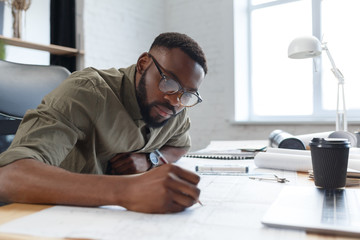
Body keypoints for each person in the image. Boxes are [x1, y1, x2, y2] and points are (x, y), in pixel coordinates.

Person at [0, 32, 207, 213]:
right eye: (168, 82)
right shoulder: (87, 92)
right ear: (143, 64)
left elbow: (179, 146)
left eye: (186, 94)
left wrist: (150, 160)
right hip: (44, 215)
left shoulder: (176, 107)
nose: (174, 100)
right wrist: (128, 190)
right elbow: (10, 177)